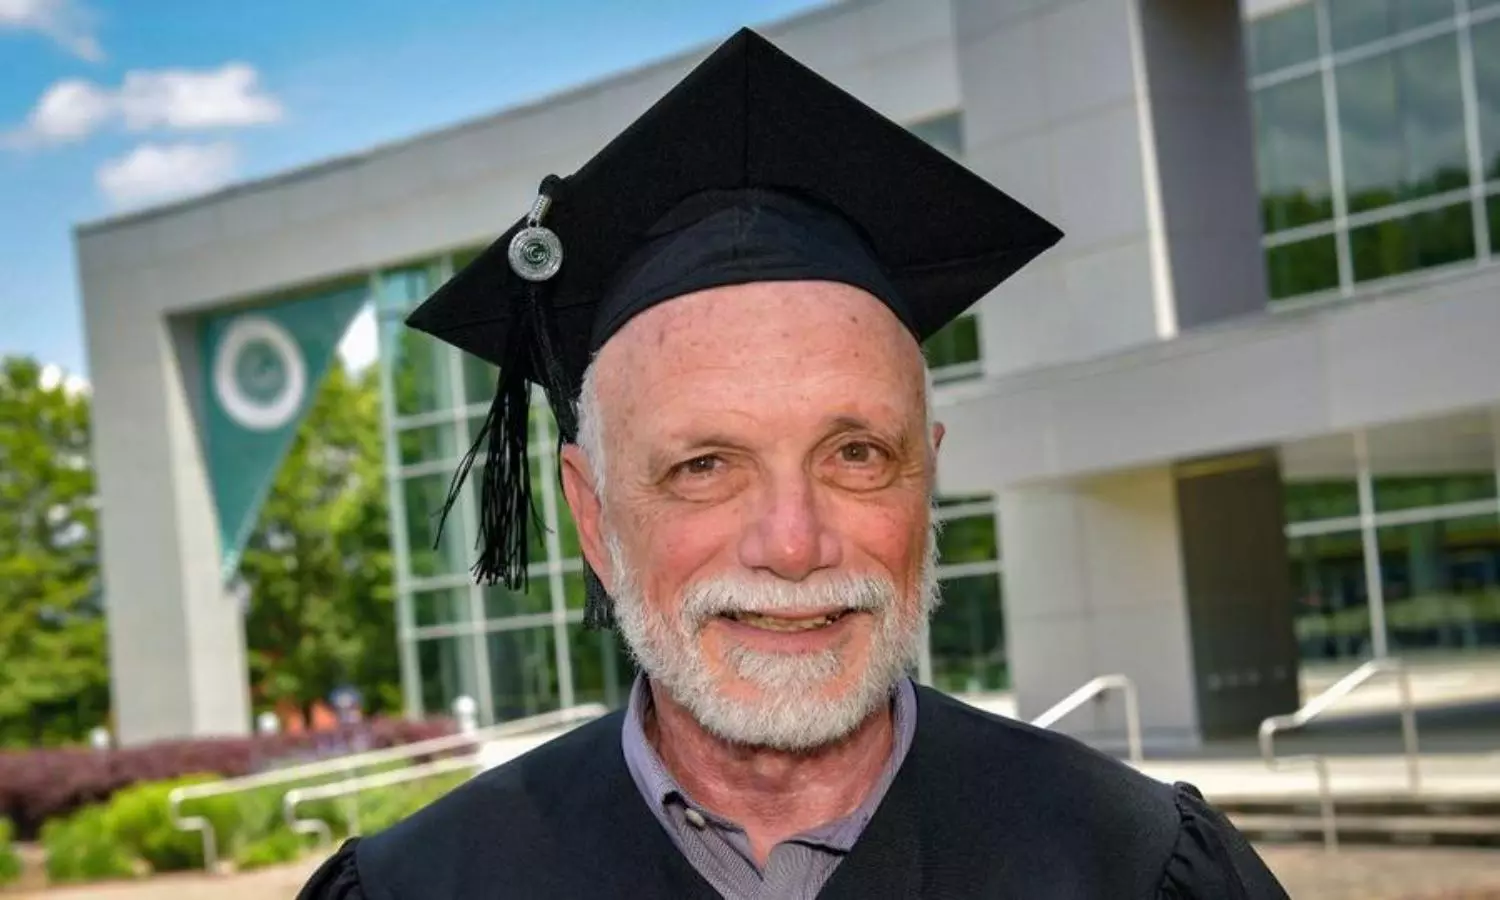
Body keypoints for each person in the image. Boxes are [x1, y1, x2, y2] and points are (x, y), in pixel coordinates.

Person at [299, 27, 1289, 900]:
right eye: (704, 465)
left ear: (926, 481)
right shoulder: (424, 888)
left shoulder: (1136, 870)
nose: (792, 544)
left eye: (856, 454)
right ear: (594, 517)